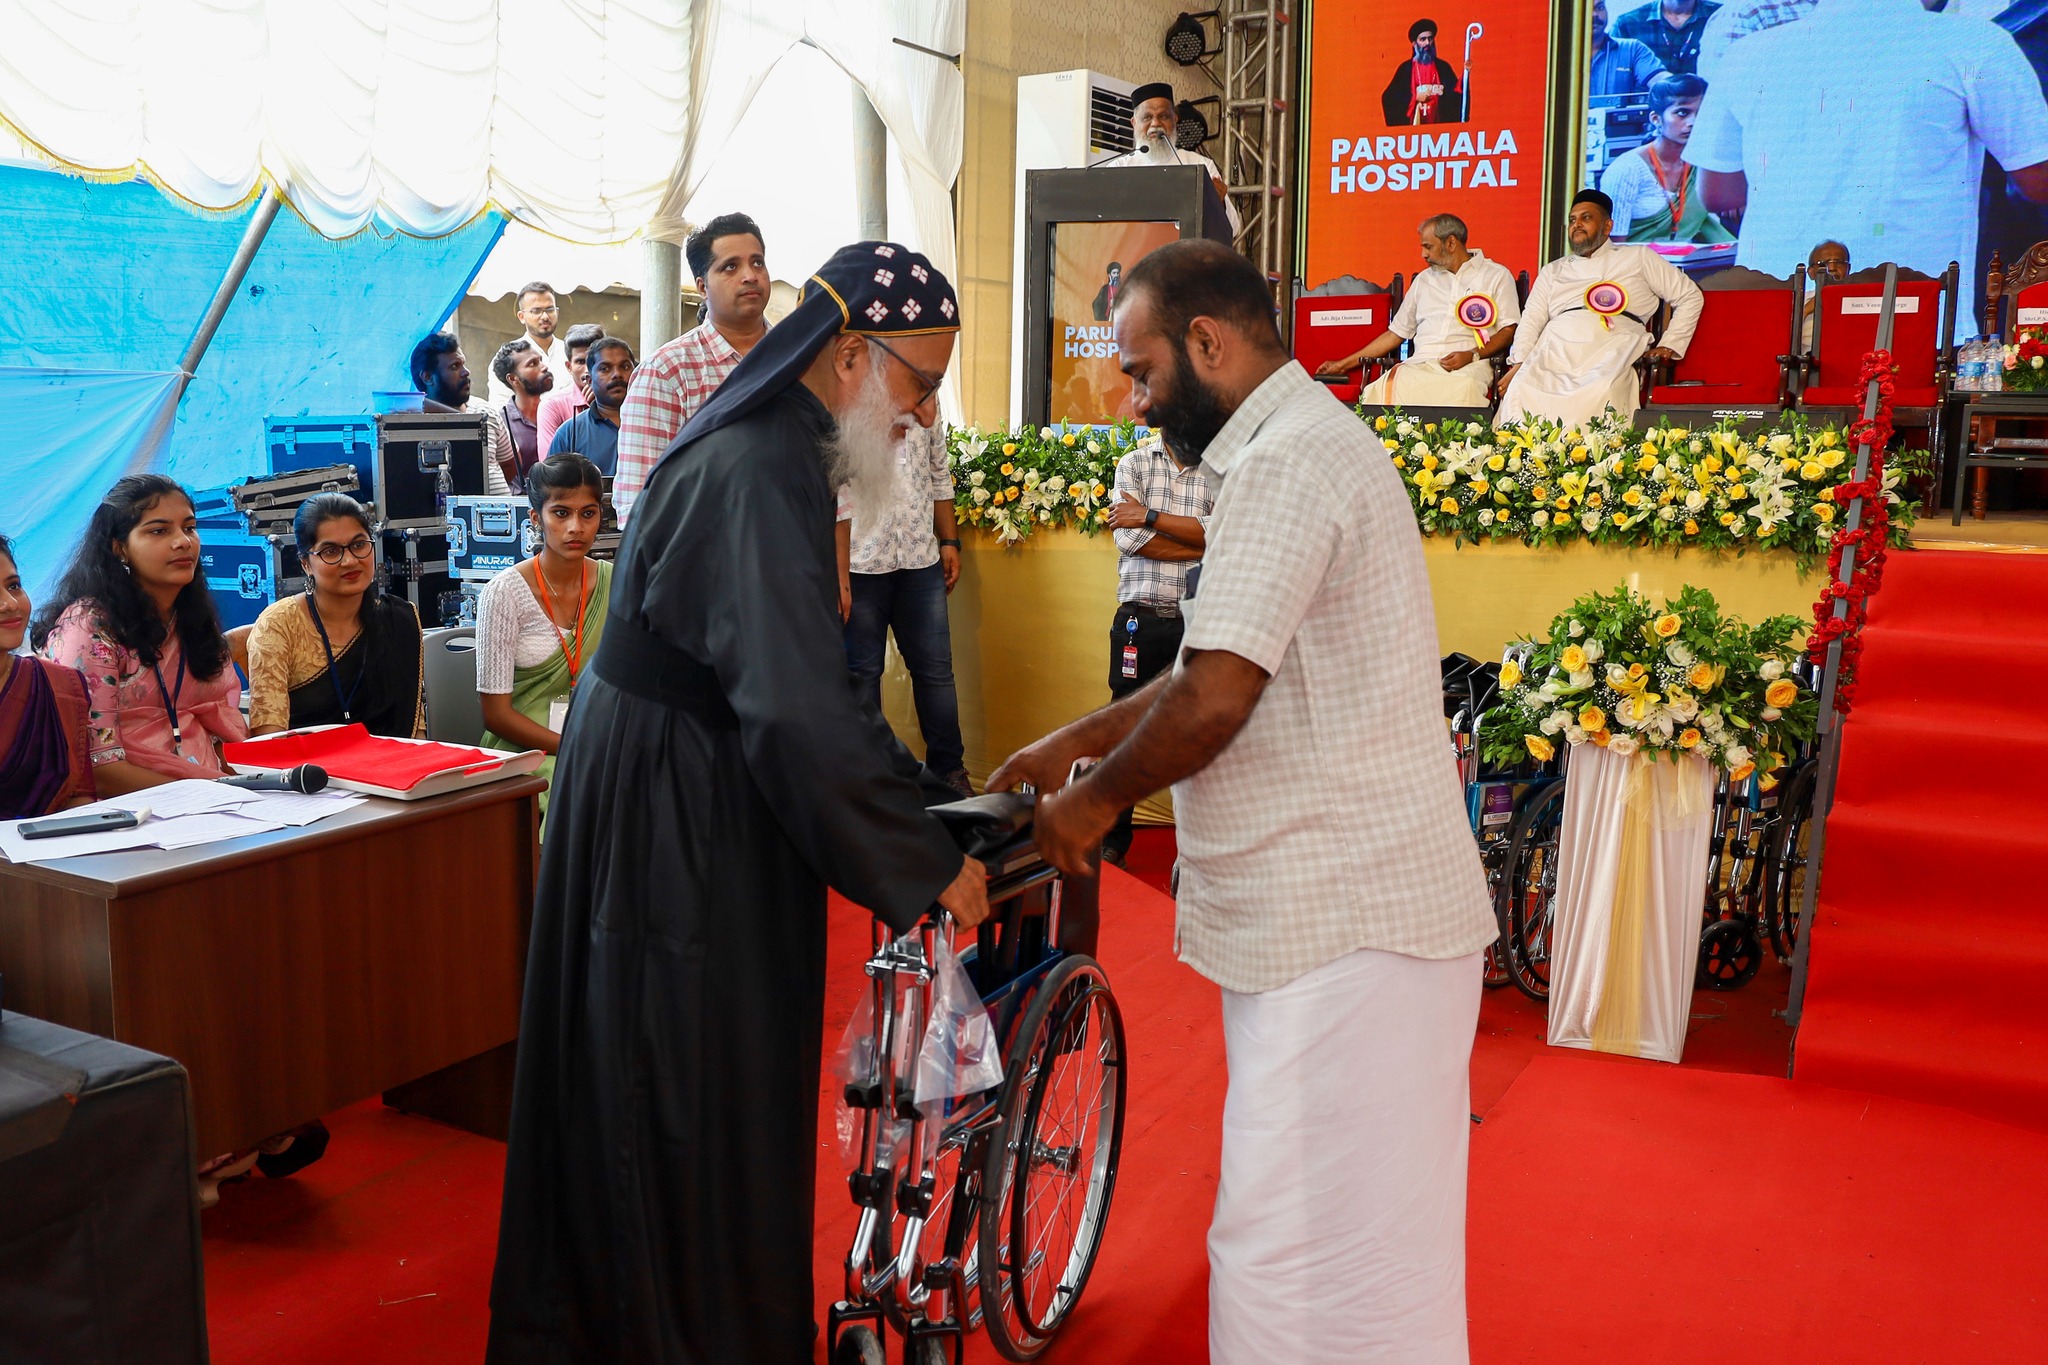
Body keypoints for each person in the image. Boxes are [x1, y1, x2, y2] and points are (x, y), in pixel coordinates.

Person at [987, 238, 1496, 1364]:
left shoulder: (1285, 465)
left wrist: (1087, 806)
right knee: (1367, 1244)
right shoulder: (1297, 445)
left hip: (1346, 927)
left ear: (1207, 343)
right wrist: (1071, 742)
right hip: (1350, 923)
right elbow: (1214, 663)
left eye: (1142, 368)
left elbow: (1216, 696)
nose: (1133, 395)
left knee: (1287, 1250)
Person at [485, 242, 992, 1365]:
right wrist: (916, 864)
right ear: (850, 354)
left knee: (671, 1075)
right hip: (675, 806)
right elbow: (799, 707)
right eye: (917, 386)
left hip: (680, 773)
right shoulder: (760, 467)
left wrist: (907, 800)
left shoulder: (775, 448)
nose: (916, 420)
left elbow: (803, 683)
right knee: (675, 1088)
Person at [1686, 0, 2048, 328]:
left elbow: (1718, 193)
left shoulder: (1747, 54)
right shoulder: (1974, 43)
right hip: (1911, 320)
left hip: (1778, 313)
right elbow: (2037, 181)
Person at [31, 474, 246, 791]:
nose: (183, 541)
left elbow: (216, 726)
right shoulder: (90, 627)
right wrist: (202, 795)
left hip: (211, 789)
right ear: (120, 548)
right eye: (159, 531)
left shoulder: (191, 616)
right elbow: (97, 767)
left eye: (189, 528)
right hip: (127, 804)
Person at [838, 422, 972, 800]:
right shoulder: (846, 390)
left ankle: (950, 772)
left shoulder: (924, 392)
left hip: (919, 556)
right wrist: (836, 568)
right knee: (863, 675)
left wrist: (949, 539)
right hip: (859, 561)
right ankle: (871, 777)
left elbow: (938, 469)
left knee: (935, 672)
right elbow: (833, 486)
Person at [474, 454, 613, 818]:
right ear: (536, 517)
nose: (576, 528)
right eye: (561, 513)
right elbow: (496, 715)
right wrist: (575, 746)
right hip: (523, 753)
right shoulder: (504, 593)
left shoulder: (618, 582)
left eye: (588, 513)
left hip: (600, 744)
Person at [1097, 431, 1211, 868]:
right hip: (1139, 620)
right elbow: (1128, 541)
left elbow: (1224, 536)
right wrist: (1195, 540)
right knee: (1123, 727)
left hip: (1200, 620)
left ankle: (1200, 847)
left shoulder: (1219, 470)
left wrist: (1146, 515)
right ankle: (1112, 839)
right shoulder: (1133, 464)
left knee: (1202, 731)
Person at [613, 212, 771, 524]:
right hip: (705, 565)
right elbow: (639, 504)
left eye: (757, 262)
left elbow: (836, 497)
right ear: (702, 286)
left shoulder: (801, 358)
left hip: (798, 562)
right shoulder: (666, 372)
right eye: (730, 266)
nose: (750, 275)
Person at [1496, 189, 1703, 425]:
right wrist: (1519, 364)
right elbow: (1531, 320)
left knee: (1601, 390)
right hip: (1555, 348)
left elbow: (1689, 295)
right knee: (1522, 388)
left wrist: (1669, 344)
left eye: (1586, 218)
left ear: (1607, 226)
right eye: (1573, 220)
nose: (1577, 225)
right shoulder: (1554, 269)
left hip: (1613, 344)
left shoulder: (1638, 257)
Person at [245, 494, 425, 740]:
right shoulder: (279, 625)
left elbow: (415, 733)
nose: (350, 561)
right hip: (310, 772)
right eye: (330, 551)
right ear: (305, 563)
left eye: (359, 545)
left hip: (392, 769)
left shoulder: (399, 619)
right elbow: (269, 741)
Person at [1314, 213, 1522, 407]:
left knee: (1464, 388)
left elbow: (1508, 330)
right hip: (1420, 364)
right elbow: (1396, 334)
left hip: (1468, 366)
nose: (1423, 254)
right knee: (1380, 388)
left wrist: (1472, 355)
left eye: (1428, 247)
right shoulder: (1424, 280)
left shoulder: (1496, 275)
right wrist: (1342, 364)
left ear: (1450, 243)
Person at [0, 533, 95, 819]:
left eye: (13, 586)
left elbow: (79, 796)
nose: (9, 604)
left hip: (47, 859)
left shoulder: (60, 687)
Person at [1600, 72, 1735, 243]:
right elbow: (1611, 251)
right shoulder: (1626, 170)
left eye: (1701, 114)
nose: (1693, 122)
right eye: (1682, 113)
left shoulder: (1704, 163)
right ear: (1656, 119)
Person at [1095, 82, 1242, 235]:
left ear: (1175, 119)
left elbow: (1233, 229)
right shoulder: (1118, 170)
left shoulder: (1199, 164)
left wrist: (1218, 203)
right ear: (1134, 123)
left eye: (1163, 116)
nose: (1156, 123)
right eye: (1147, 117)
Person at [411, 331, 518, 494]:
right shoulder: (412, 426)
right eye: (454, 366)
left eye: (463, 364)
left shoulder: (486, 411)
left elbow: (510, 465)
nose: (466, 372)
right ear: (427, 377)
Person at [546, 335, 634, 475]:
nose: (617, 374)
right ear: (589, 380)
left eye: (625, 366)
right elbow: (552, 489)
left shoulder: (657, 423)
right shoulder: (569, 433)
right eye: (605, 369)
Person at [487, 281, 571, 405]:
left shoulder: (571, 352)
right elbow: (500, 407)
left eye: (550, 309)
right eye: (536, 311)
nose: (545, 316)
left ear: (557, 312)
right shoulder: (508, 358)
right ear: (521, 317)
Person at [493, 337, 555, 490]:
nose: (544, 367)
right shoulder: (502, 423)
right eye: (533, 364)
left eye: (540, 360)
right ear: (513, 379)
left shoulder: (556, 412)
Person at [535, 322, 605, 457]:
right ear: (569, 367)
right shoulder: (552, 406)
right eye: (580, 362)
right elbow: (550, 466)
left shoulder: (624, 401)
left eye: (595, 360)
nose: (588, 369)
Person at [1381, 19, 1464, 125]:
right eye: (1423, 39)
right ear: (1414, 44)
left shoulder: (1443, 67)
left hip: (1438, 128)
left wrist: (1465, 75)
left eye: (1430, 39)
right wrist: (1415, 97)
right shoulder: (1405, 69)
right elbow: (1389, 98)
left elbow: (1455, 94)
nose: (1427, 43)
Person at [1609, 0, 1721, 75]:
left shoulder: (1724, 16)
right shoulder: (1627, 24)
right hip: (1643, 106)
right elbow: (1610, 76)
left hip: (1709, 106)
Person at [1591, 0, 1667, 99]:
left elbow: (1661, 81)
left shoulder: (1632, 48)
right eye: (1587, 9)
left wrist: (1683, 85)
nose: (1594, 14)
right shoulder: (1564, 52)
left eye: (1599, 7)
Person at [1802, 238, 1851, 349]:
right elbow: (1780, 339)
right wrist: (1806, 309)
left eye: (1838, 262)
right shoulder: (1799, 301)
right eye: (1823, 263)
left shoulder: (1858, 300)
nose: (1832, 268)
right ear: (1811, 272)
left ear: (1848, 268)